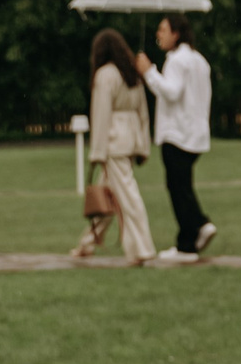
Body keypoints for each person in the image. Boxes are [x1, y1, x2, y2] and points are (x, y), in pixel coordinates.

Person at [136, 13, 215, 264]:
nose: (158, 34)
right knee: (182, 186)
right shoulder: (199, 60)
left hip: (177, 133)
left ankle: (192, 237)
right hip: (195, 134)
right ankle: (193, 234)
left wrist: (148, 72)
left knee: (177, 188)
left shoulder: (176, 60)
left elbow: (171, 92)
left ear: (176, 33)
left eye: (163, 29)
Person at [78, 29, 157, 264]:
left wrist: (97, 152)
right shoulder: (131, 74)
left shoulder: (105, 75)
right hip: (130, 139)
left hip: (114, 142)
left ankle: (142, 248)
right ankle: (88, 242)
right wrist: (143, 146)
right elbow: (143, 113)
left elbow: (101, 114)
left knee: (127, 197)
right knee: (108, 195)